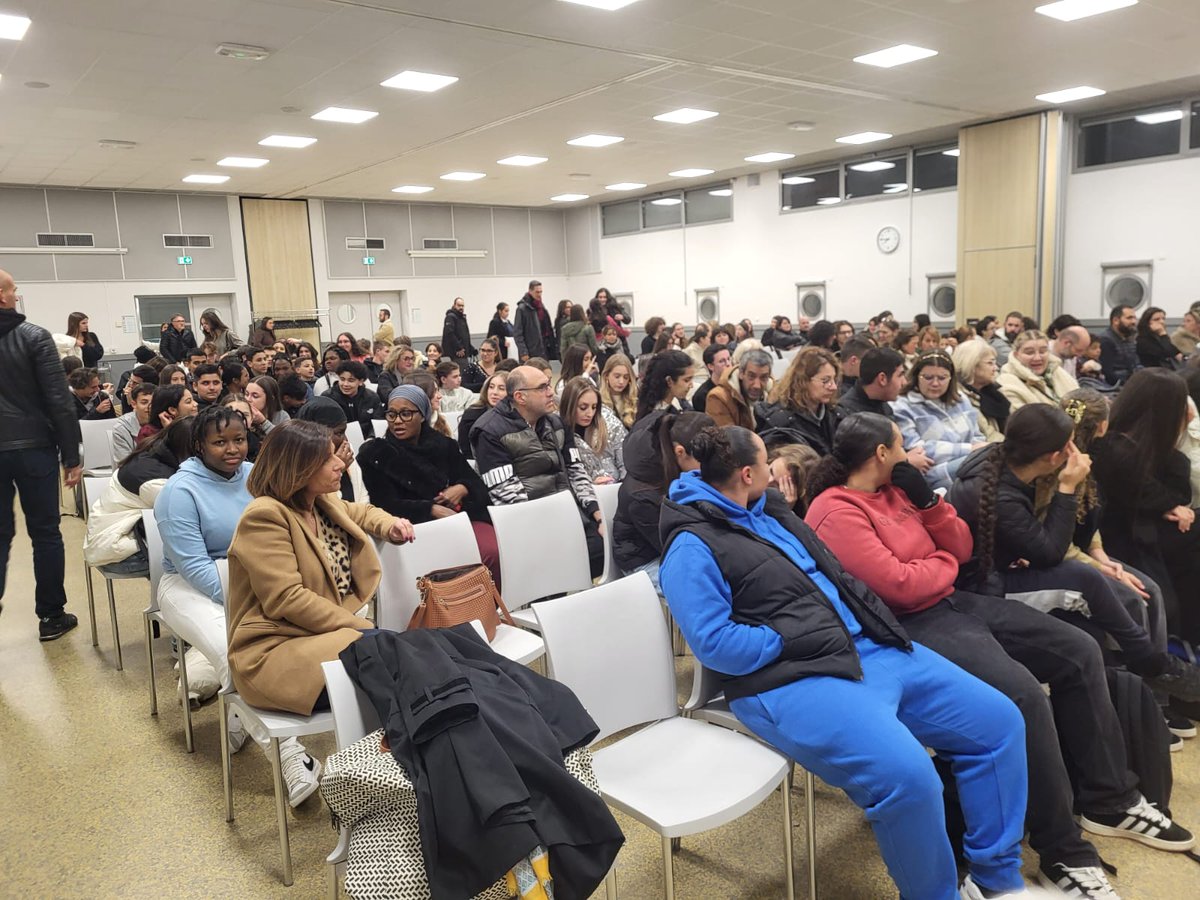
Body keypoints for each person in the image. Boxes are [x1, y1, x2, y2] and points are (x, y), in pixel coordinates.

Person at [805, 413, 1185, 892]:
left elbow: (960, 547)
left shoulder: (898, 491)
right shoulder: (835, 509)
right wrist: (940, 562)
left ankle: (1108, 800)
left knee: (1079, 649)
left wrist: (926, 504)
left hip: (950, 602)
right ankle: (1063, 851)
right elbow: (897, 588)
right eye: (902, 445)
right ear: (881, 453)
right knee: (1023, 696)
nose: (907, 453)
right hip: (906, 626)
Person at [658, 425, 1030, 900]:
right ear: (748, 473)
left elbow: (825, 575)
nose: (776, 470)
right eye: (768, 462)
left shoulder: (767, 509)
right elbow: (715, 645)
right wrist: (790, 637)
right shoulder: (691, 546)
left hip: (864, 647)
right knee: (910, 780)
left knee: (998, 725)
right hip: (792, 679)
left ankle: (996, 879)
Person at [949, 404, 1200, 704]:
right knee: (1090, 581)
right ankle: (1151, 667)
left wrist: (1098, 552)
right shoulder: (1003, 493)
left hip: (1006, 568)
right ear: (1054, 456)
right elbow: (1052, 553)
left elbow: (1062, 538)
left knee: (1112, 597)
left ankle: (1143, 681)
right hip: (980, 588)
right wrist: (1068, 487)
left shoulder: (1010, 465)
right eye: (1069, 445)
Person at [226, 419, 414, 719]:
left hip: (318, 636)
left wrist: (390, 525)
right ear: (297, 467)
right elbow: (289, 599)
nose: (339, 463)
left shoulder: (319, 502)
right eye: (326, 458)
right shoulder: (265, 516)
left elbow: (361, 511)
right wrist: (362, 628)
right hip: (276, 652)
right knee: (404, 664)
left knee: (415, 661)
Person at [0, 269, 83, 636]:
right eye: (13, 289)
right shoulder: (34, 337)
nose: (17, 295)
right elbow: (59, 401)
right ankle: (51, 617)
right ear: (2, 296)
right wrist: (72, 456)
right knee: (46, 533)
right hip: (34, 449)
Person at [1092, 370, 1200, 645]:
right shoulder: (1113, 446)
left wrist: (1164, 503)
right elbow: (1146, 493)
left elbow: (1172, 494)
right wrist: (1165, 504)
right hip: (1126, 536)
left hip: (1142, 528)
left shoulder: (1139, 445)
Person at [473, 366, 604, 577]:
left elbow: (576, 472)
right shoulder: (489, 431)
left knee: (613, 544)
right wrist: (553, 534)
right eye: (542, 387)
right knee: (569, 565)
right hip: (531, 529)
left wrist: (598, 516)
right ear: (520, 397)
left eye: (549, 385)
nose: (551, 391)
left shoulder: (556, 423)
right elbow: (509, 498)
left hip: (571, 517)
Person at [358, 386, 498, 582]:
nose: (397, 421)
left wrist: (463, 487)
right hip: (413, 529)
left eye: (406, 414)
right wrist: (430, 509)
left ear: (422, 415)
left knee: (494, 549)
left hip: (459, 518)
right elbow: (384, 504)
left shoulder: (443, 445)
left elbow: (476, 484)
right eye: (392, 414)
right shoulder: (377, 454)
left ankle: (489, 607)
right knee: (475, 554)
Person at [612, 409, 711, 589]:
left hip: (676, 540)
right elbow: (672, 547)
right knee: (702, 587)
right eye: (705, 460)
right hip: (643, 559)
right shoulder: (643, 495)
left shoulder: (672, 464)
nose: (710, 466)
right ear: (680, 452)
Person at [85, 417, 194, 578]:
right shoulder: (157, 481)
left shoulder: (157, 450)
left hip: (118, 538)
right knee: (194, 557)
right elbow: (191, 516)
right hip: (119, 552)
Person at [892, 350, 987, 491]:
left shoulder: (961, 400)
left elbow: (977, 437)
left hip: (969, 466)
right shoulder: (902, 405)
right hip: (931, 475)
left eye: (942, 378)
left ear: (951, 378)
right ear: (916, 376)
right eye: (928, 377)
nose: (935, 383)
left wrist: (978, 449)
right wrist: (970, 449)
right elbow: (918, 450)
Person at [755, 347, 842, 455]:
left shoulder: (837, 414)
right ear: (803, 381)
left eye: (835, 380)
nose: (833, 387)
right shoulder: (779, 424)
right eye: (825, 381)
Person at [560, 376, 626, 484]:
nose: (590, 413)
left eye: (594, 407)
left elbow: (626, 463)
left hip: (615, 489)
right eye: (583, 407)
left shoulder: (610, 424)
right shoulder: (558, 433)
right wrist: (591, 484)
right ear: (569, 405)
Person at [996, 330, 1078, 411]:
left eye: (1042, 351)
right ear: (1016, 355)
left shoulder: (1059, 372)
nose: (1037, 358)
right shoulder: (1006, 383)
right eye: (1029, 353)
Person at [953, 339, 1009, 441]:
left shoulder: (993, 392)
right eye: (990, 363)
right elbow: (990, 437)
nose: (995, 368)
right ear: (972, 366)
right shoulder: (961, 398)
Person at [705, 348, 770, 430]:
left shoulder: (774, 393)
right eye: (751, 376)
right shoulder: (718, 398)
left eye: (763, 378)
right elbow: (728, 439)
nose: (757, 385)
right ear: (741, 373)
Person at [329, 360, 383, 441]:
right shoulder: (328, 397)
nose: (345, 384)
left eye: (351, 380)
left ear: (361, 381)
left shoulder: (372, 398)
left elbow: (378, 421)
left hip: (367, 441)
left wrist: (371, 438)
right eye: (342, 379)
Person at [458, 372, 506, 460]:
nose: (494, 392)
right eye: (491, 387)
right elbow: (467, 450)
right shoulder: (473, 414)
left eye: (501, 388)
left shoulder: (517, 415)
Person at [635, 350, 694, 422]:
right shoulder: (655, 419)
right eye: (686, 380)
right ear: (669, 381)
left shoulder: (681, 404)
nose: (691, 385)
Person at [112, 382, 157, 460]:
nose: (150, 407)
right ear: (134, 404)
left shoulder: (164, 422)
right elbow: (124, 462)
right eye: (144, 402)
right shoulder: (121, 428)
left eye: (154, 403)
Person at [1098, 305, 1140, 386]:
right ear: (1116, 320)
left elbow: (1136, 364)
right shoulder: (1106, 340)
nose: (1134, 322)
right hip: (1116, 387)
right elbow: (1108, 374)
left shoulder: (1129, 339)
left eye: (1135, 318)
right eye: (1129, 318)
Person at [514, 279, 552, 361]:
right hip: (530, 352)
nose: (540, 294)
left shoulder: (541, 307)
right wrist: (523, 352)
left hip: (543, 350)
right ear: (530, 291)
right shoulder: (522, 309)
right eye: (537, 292)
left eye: (541, 292)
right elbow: (517, 333)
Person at [691, 343, 732, 416]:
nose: (728, 364)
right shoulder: (702, 396)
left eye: (729, 359)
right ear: (710, 366)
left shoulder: (737, 386)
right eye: (722, 361)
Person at [600, 354, 638, 430]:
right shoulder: (598, 400)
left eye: (626, 377)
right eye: (617, 376)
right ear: (606, 375)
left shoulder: (636, 399)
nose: (621, 381)